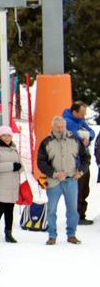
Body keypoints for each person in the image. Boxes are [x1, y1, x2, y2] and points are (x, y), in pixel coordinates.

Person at [36, 116, 90, 245]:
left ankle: (71, 235)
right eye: (57, 127)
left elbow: (86, 158)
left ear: (65, 126)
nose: (60, 129)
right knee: (52, 210)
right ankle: (52, 236)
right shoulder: (46, 142)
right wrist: (54, 174)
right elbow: (41, 162)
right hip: (54, 182)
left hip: (71, 181)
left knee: (72, 210)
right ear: (52, 127)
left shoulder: (75, 140)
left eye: (62, 126)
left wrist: (81, 171)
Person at [0, 126, 22, 243]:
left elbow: (19, 165)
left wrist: (19, 168)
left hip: (12, 185)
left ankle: (8, 233)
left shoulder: (14, 149)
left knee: (9, 211)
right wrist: (12, 166)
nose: (7, 138)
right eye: (4, 135)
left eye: (9, 136)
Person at [62, 101, 95, 225]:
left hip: (84, 161)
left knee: (84, 189)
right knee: (77, 190)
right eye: (82, 113)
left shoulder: (81, 121)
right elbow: (74, 137)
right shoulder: (67, 122)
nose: (84, 115)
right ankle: (75, 216)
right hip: (74, 163)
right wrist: (83, 138)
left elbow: (92, 132)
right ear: (74, 112)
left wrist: (87, 137)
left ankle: (81, 215)